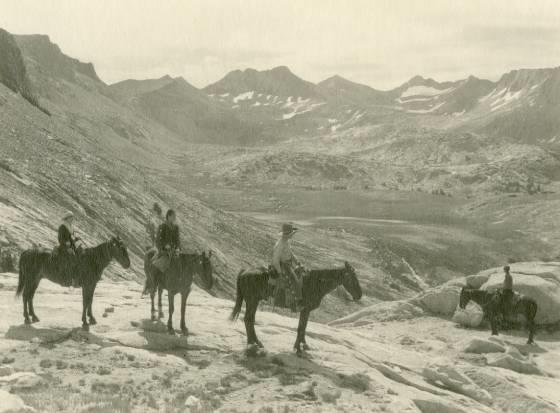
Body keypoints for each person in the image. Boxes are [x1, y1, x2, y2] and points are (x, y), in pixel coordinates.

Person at [272, 223, 304, 311]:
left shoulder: (287, 241)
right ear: (287, 234)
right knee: (294, 279)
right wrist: (279, 272)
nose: (292, 236)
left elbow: (290, 253)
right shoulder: (280, 244)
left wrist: (297, 262)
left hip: (288, 264)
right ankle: (297, 303)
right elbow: (275, 260)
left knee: (302, 273)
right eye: (291, 234)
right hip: (282, 265)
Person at [56, 211, 80, 286]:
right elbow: (60, 238)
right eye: (71, 217)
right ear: (67, 218)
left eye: (72, 217)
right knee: (70, 258)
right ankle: (65, 278)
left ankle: (76, 277)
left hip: (71, 246)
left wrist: (76, 239)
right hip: (64, 246)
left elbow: (71, 237)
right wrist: (66, 245)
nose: (72, 219)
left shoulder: (70, 226)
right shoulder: (62, 226)